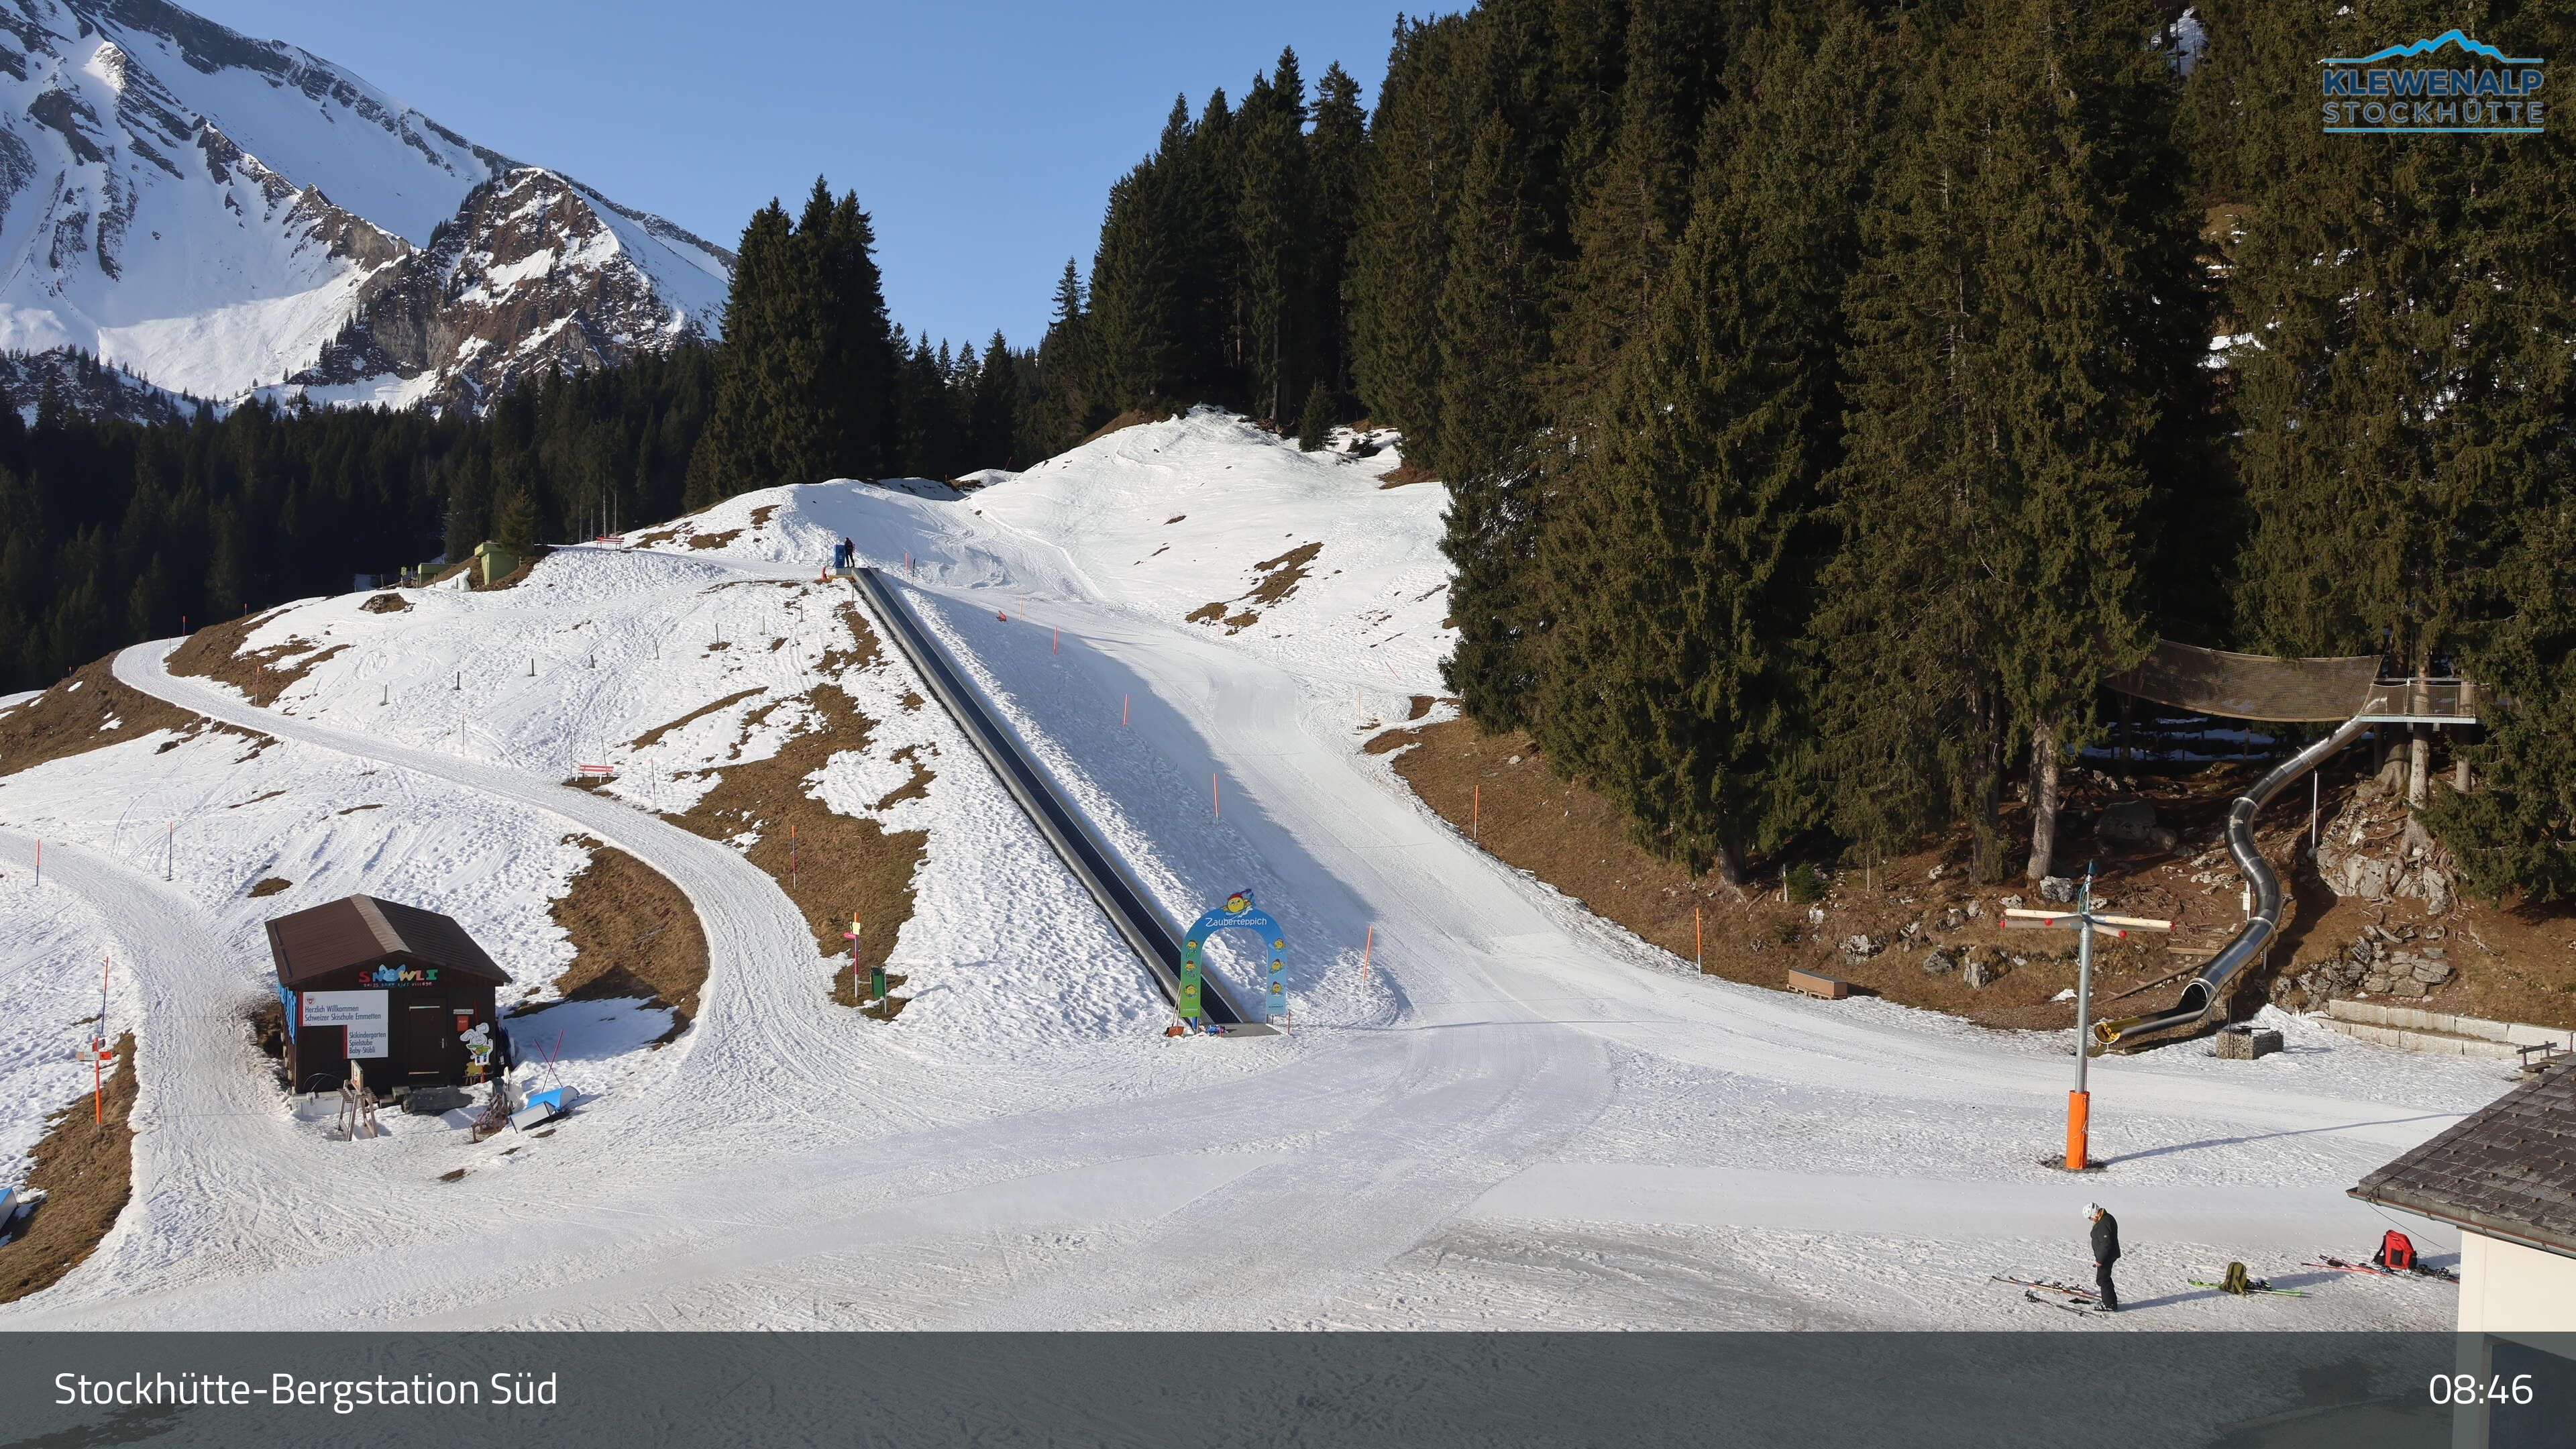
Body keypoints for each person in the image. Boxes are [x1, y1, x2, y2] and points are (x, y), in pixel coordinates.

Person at [2086, 1202, 2121, 1311]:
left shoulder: (2104, 1222)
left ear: (2094, 1214)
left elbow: (2106, 1244)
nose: (2090, 1220)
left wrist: (2100, 1260)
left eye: (2090, 1217)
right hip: (2106, 1255)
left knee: (2103, 1280)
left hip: (2107, 1256)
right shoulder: (2104, 1218)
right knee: (2105, 1278)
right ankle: (2110, 1302)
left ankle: (2109, 1305)